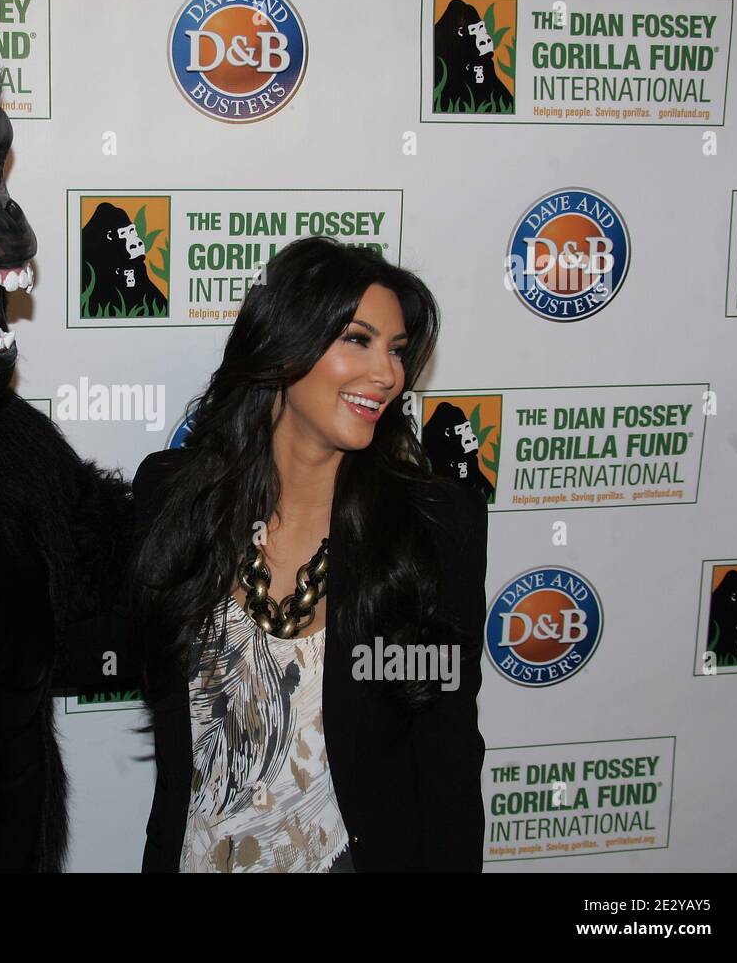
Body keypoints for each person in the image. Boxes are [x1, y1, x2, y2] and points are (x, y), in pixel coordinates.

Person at [130, 236, 489, 873]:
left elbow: (446, 752)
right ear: (283, 345)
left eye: (396, 350)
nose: (388, 374)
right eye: (358, 340)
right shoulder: (175, 497)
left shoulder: (427, 531)